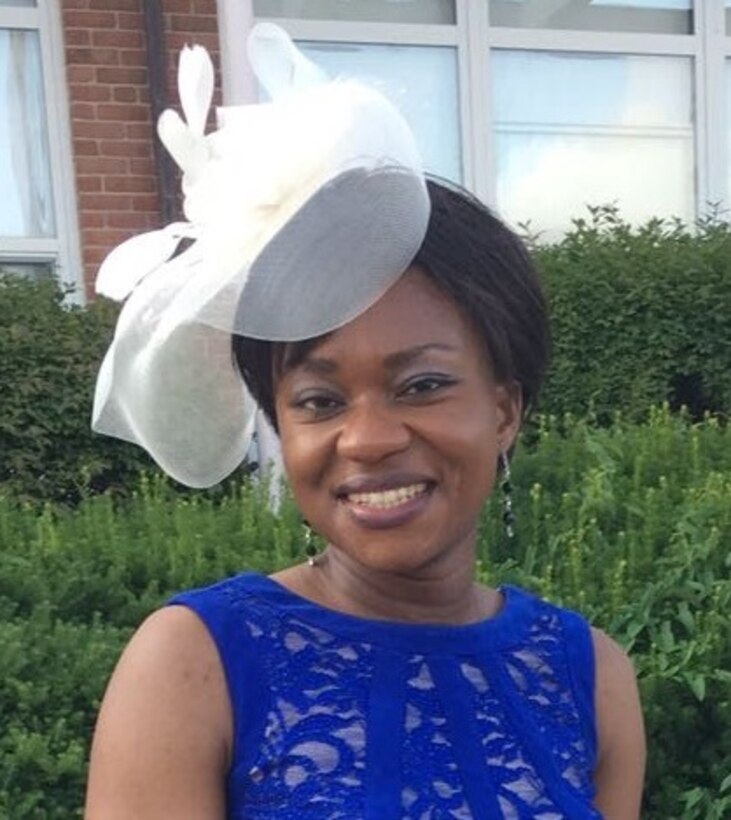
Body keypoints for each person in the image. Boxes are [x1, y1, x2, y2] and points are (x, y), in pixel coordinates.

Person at [85, 25, 645, 820]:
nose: (369, 438)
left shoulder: (589, 673)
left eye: (421, 385)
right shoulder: (195, 663)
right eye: (319, 401)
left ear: (503, 410)